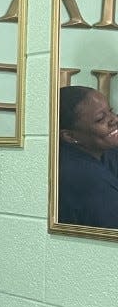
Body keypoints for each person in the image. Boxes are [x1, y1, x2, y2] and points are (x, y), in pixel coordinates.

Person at [57, 85, 118, 229]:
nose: (114, 119)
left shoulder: (101, 147)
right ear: (70, 136)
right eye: (100, 119)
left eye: (111, 111)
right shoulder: (86, 180)